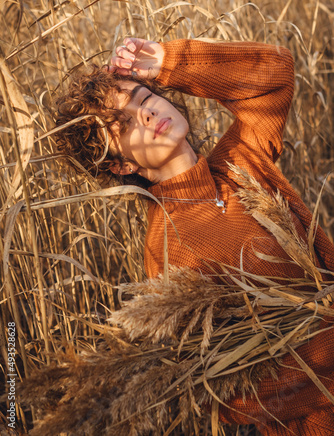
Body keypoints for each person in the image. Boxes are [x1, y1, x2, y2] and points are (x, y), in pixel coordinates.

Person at [55, 37, 334, 435]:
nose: (147, 114)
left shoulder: (239, 163)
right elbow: (227, 390)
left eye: (142, 96)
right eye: (124, 123)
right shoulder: (170, 246)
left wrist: (170, 61)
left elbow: (276, 74)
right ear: (118, 166)